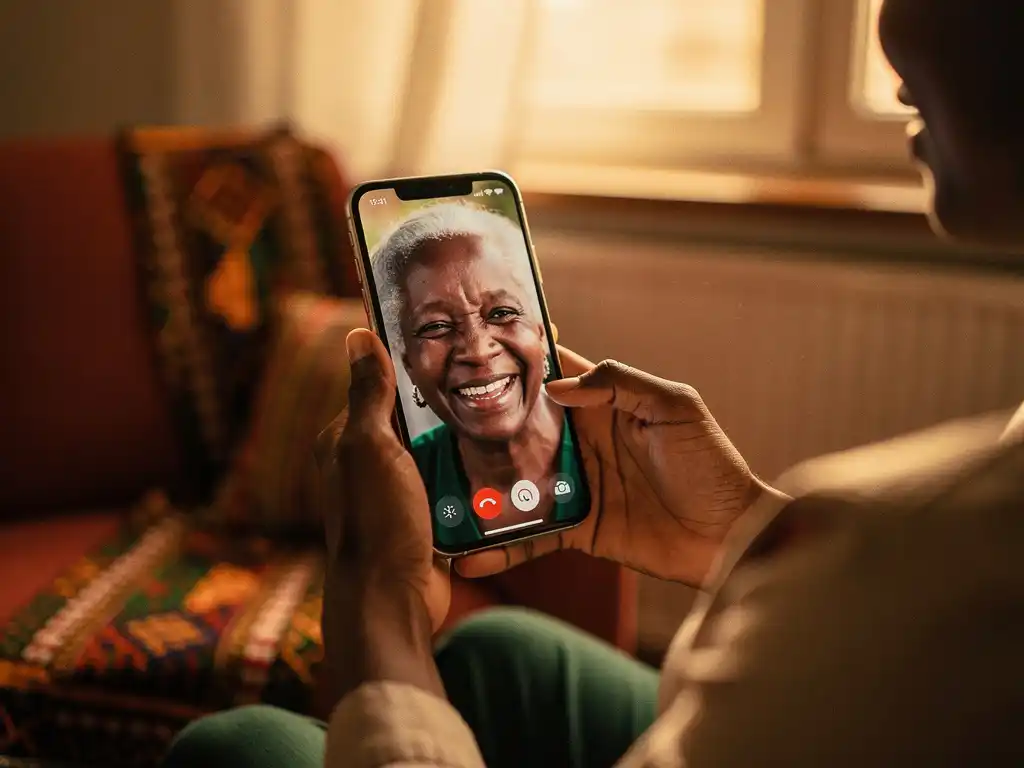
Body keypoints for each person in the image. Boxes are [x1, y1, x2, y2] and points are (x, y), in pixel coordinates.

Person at [162, 0, 1024, 766]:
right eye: (432, 325)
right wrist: (731, 531)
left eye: (500, 314)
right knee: (499, 654)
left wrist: (381, 600)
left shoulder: (913, 543)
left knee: (238, 746)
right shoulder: (929, 547)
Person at [370, 203, 584, 547]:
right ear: (408, 363)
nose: (478, 351)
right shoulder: (405, 479)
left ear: (542, 332)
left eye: (501, 312)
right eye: (436, 326)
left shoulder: (600, 444)